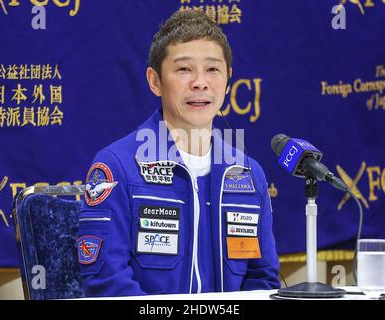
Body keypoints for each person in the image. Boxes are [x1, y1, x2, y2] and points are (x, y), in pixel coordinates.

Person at [77, 9, 280, 297]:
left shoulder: (247, 173)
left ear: (228, 78)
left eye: (212, 69)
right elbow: (107, 283)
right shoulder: (118, 167)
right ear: (154, 81)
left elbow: (263, 279)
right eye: (184, 69)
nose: (200, 82)